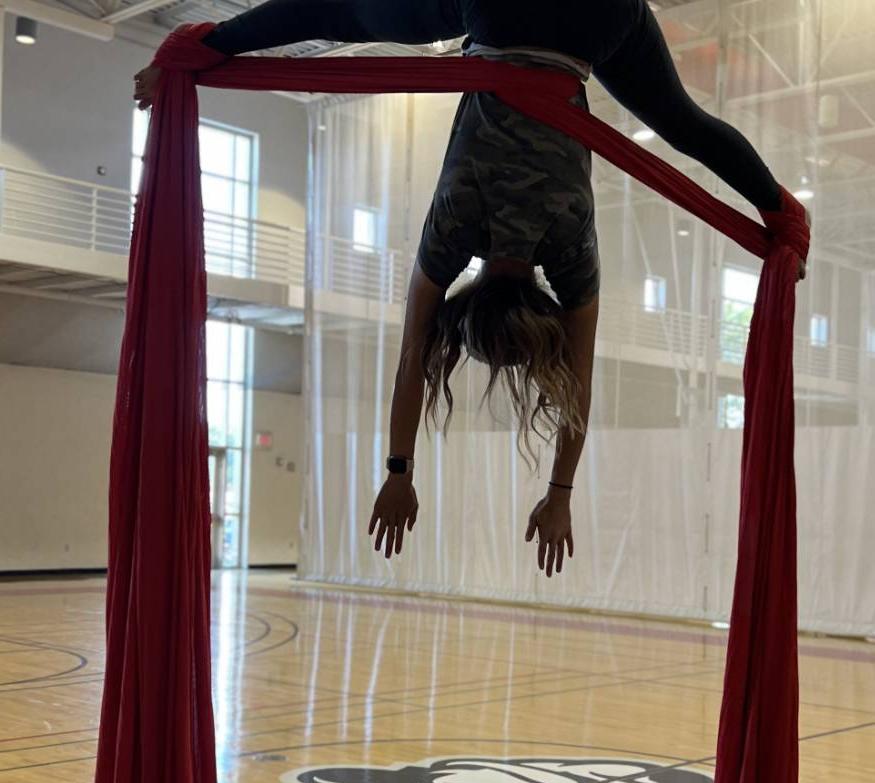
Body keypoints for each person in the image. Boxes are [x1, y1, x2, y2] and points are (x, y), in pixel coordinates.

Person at [134, 0, 804, 578]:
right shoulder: (454, 229)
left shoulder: (569, 254)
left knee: (682, 122)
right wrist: (398, 470)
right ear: (463, 306)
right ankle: (200, 45)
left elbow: (577, 388)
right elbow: (410, 364)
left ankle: (784, 211)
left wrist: (560, 491)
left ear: (541, 308)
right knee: (342, 12)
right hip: (499, 11)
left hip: (595, 21)